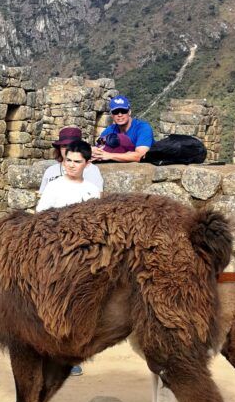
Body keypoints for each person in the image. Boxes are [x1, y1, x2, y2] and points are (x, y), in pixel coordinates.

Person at [36, 140, 102, 377]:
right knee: (50, 305)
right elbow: (40, 219)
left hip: (82, 259)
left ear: (87, 163)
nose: (71, 166)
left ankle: (70, 356)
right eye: (68, 161)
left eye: (77, 162)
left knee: (77, 307)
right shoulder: (54, 187)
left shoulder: (92, 192)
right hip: (55, 255)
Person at [39, 126, 104, 196]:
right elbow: (42, 195)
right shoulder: (51, 171)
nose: (68, 149)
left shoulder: (92, 170)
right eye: (64, 146)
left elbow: (97, 197)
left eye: (71, 145)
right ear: (59, 148)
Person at [91, 95, 154, 164]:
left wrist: (110, 155)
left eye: (123, 111)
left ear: (129, 112)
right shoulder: (110, 130)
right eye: (116, 112)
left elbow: (140, 156)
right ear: (112, 115)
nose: (120, 115)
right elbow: (99, 148)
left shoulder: (143, 128)